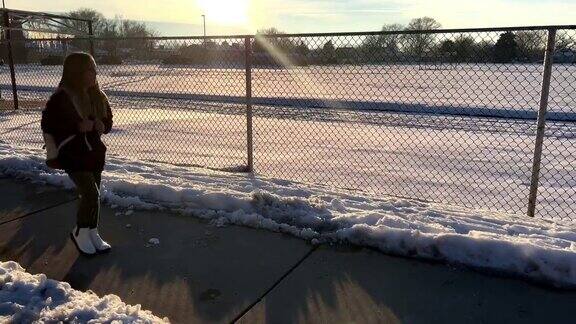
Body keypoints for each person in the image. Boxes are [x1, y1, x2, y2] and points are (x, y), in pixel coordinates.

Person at [41, 52, 113, 256]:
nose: (94, 74)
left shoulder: (97, 95)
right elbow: (50, 124)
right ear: (77, 72)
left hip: (94, 153)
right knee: (90, 193)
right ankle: (81, 231)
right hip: (73, 154)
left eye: (94, 69)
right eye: (90, 70)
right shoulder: (62, 97)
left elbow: (108, 121)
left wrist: (101, 125)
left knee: (94, 195)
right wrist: (76, 126)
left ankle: (93, 231)